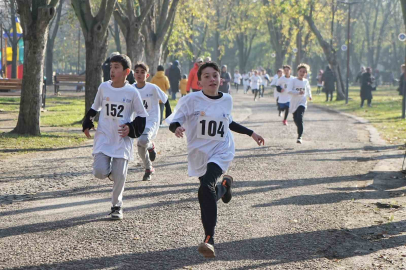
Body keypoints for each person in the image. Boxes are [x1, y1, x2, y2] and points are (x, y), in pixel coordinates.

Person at [167, 61, 265, 258]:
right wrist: (176, 128)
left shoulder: (226, 99)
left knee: (205, 188)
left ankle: (208, 239)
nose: (212, 79)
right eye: (207, 76)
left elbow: (229, 122)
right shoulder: (191, 100)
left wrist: (251, 133)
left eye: (215, 75)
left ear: (220, 79)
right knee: (208, 190)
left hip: (221, 150)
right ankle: (225, 187)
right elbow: (175, 119)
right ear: (199, 81)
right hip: (199, 153)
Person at [82, 54, 148, 220]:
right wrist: (87, 123)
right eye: (111, 67)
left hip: (121, 138)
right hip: (104, 136)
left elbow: (141, 116)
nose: (112, 70)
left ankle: (116, 206)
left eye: (116, 67)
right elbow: (94, 108)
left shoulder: (132, 92)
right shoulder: (104, 87)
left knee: (120, 175)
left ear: (126, 71)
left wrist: (131, 128)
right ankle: (112, 174)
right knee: (98, 171)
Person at [133, 62, 172, 181]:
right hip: (137, 121)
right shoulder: (130, 88)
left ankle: (150, 146)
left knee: (143, 140)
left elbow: (165, 99)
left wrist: (169, 114)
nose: (139, 75)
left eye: (142, 72)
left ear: (147, 75)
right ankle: (148, 168)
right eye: (137, 72)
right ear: (134, 74)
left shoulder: (152, 88)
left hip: (151, 120)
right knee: (140, 145)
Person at [287, 63, 312, 144]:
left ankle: (299, 136)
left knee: (300, 117)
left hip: (302, 102)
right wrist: (298, 92)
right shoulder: (293, 80)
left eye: (304, 72)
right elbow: (289, 90)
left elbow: (308, 89)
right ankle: (299, 128)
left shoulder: (306, 81)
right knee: (296, 119)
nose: (302, 73)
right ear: (298, 72)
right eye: (301, 71)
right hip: (294, 102)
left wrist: (310, 96)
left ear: (306, 74)